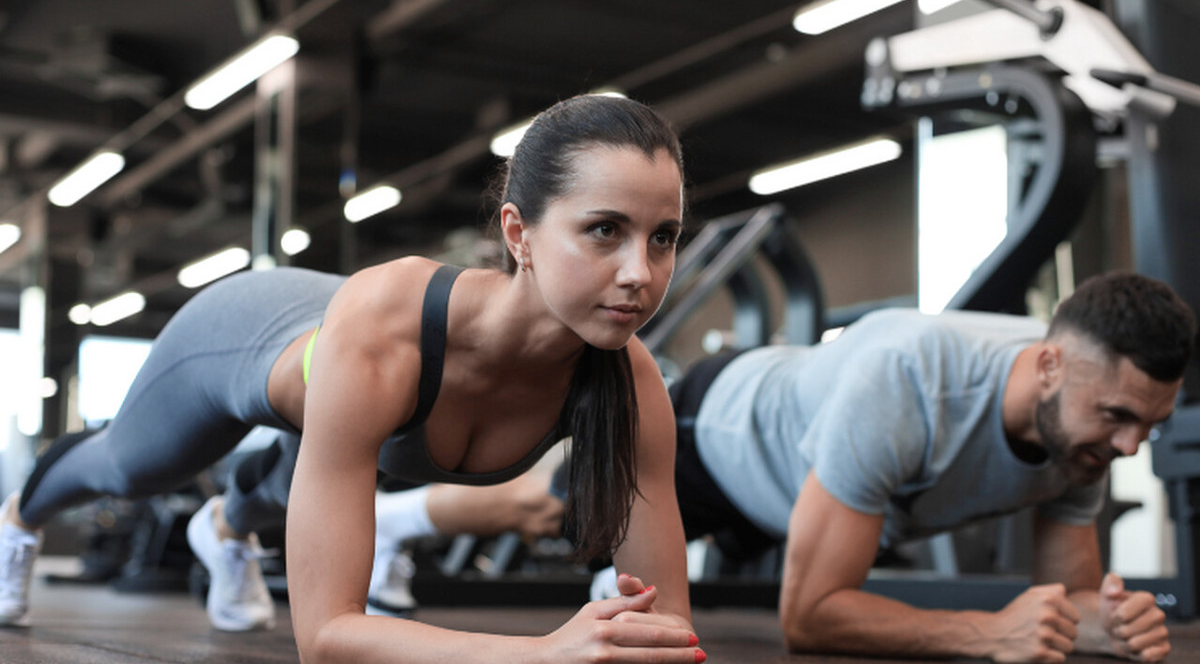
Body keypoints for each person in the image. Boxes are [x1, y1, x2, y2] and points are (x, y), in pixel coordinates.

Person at [0, 94, 707, 663]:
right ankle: (16, 521)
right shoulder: (387, 338)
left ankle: (224, 528)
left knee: (311, 469)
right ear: (518, 235)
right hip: (247, 332)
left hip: (354, 399)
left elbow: (668, 624)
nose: (639, 274)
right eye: (605, 230)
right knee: (131, 467)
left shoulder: (628, 384)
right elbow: (327, 636)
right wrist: (544, 652)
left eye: (663, 237)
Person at [365, 270, 1191, 663]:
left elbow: (1071, 592)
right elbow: (811, 618)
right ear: (1048, 367)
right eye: (1117, 420)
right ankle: (394, 522)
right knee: (545, 508)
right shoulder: (912, 379)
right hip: (719, 428)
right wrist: (986, 632)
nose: (1128, 451)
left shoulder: (1086, 427)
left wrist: (1104, 625)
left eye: (1146, 428)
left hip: (798, 484)